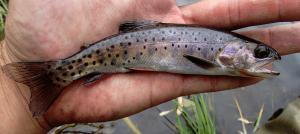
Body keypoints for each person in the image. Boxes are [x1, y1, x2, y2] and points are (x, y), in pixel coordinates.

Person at [0, 0, 299, 133]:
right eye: (258, 52)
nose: (264, 56)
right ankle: (55, 74)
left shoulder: (222, 58)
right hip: (120, 51)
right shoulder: (214, 58)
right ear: (231, 52)